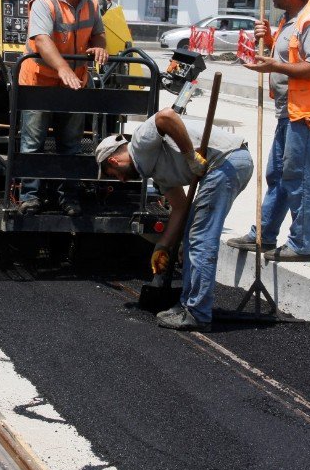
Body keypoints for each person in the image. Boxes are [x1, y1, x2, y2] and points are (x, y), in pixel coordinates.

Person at [96, 111, 251, 332]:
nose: (120, 179)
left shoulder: (140, 143)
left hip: (227, 161)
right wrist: (163, 247)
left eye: (114, 174)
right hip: (224, 166)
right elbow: (179, 207)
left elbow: (166, 117)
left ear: (113, 160)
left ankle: (197, 313)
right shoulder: (154, 171)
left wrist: (190, 156)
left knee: (200, 238)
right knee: (191, 236)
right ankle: (189, 305)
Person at [227, 0, 310, 262]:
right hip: (289, 111)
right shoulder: (291, 19)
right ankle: (263, 234)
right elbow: (287, 54)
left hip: (307, 114)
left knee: (298, 176)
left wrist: (274, 66)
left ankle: (301, 244)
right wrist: (268, 40)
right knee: (278, 174)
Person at [17, 0, 108, 216]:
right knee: (32, 142)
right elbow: (42, 41)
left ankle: (69, 197)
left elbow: (98, 34)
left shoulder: (90, 1)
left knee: (71, 142)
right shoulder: (45, 2)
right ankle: (30, 196)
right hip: (40, 82)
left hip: (74, 82)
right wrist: (63, 68)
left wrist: (99, 48)